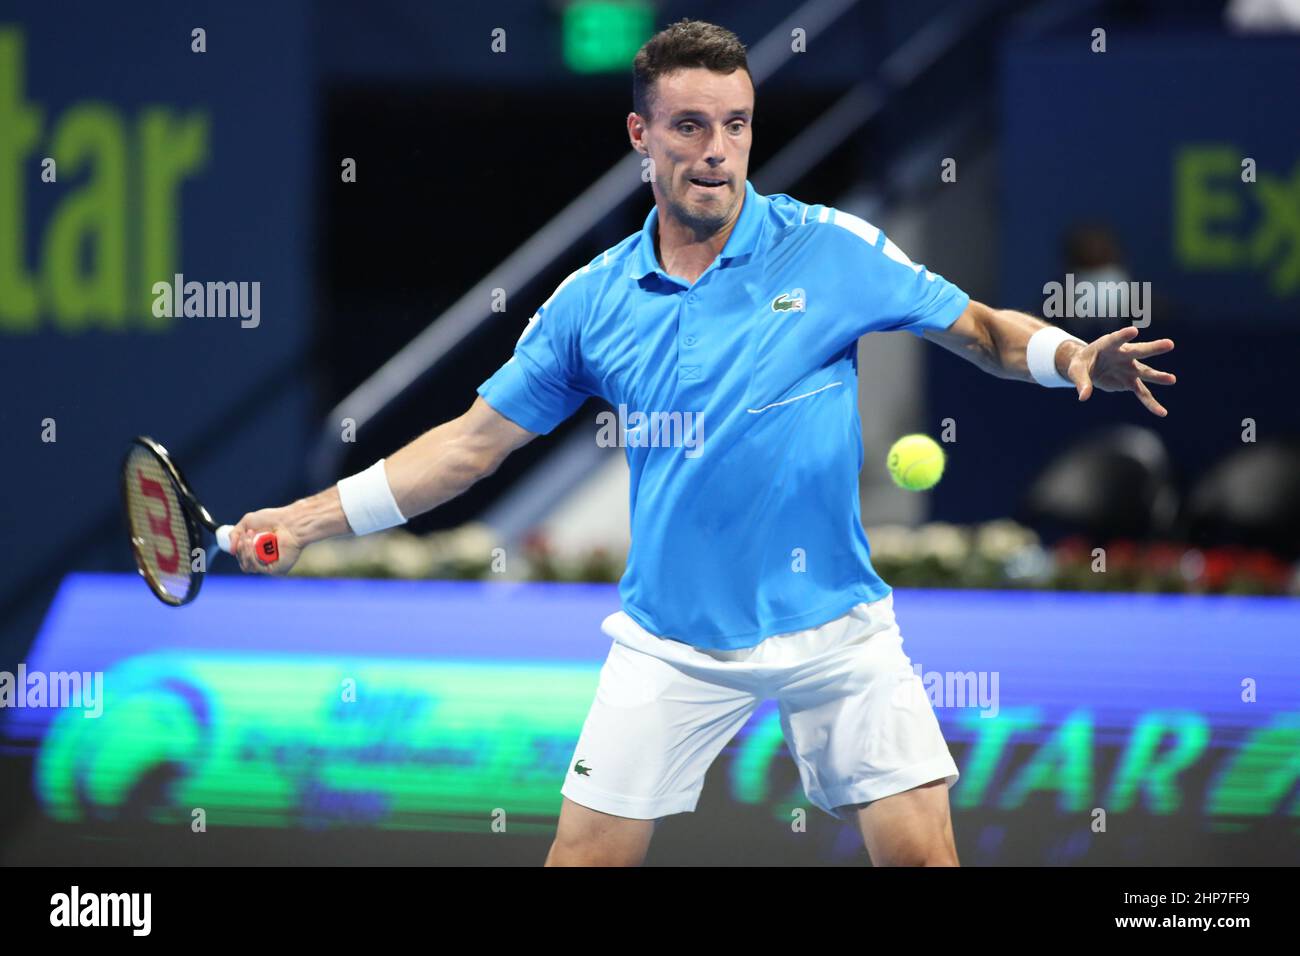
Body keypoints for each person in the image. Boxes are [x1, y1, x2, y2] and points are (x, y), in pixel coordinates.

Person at [227, 19, 1176, 866]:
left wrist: (1063, 353)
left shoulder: (831, 247)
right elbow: (469, 447)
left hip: (836, 626)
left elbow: (977, 329)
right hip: (673, 638)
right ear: (641, 136)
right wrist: (309, 520)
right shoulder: (591, 302)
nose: (718, 151)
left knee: (924, 858)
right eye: (689, 126)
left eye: (736, 124)